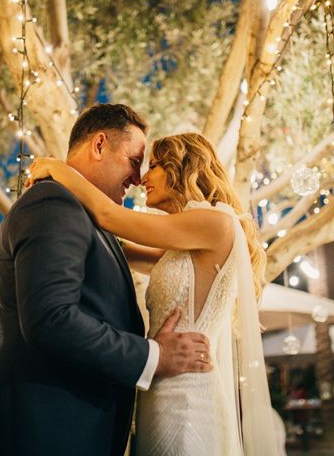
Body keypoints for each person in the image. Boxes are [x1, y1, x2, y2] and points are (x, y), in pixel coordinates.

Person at [0, 104, 212, 456]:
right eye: (134, 160)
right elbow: (50, 319)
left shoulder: (91, 219)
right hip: (44, 433)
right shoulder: (53, 202)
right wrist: (153, 355)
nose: (138, 177)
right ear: (99, 145)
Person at [28, 131, 280, 455]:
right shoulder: (185, 243)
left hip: (188, 397)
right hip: (158, 390)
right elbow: (120, 249)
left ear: (183, 168)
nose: (143, 177)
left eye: (156, 166)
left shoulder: (215, 222)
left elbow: (109, 216)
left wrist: (57, 169)